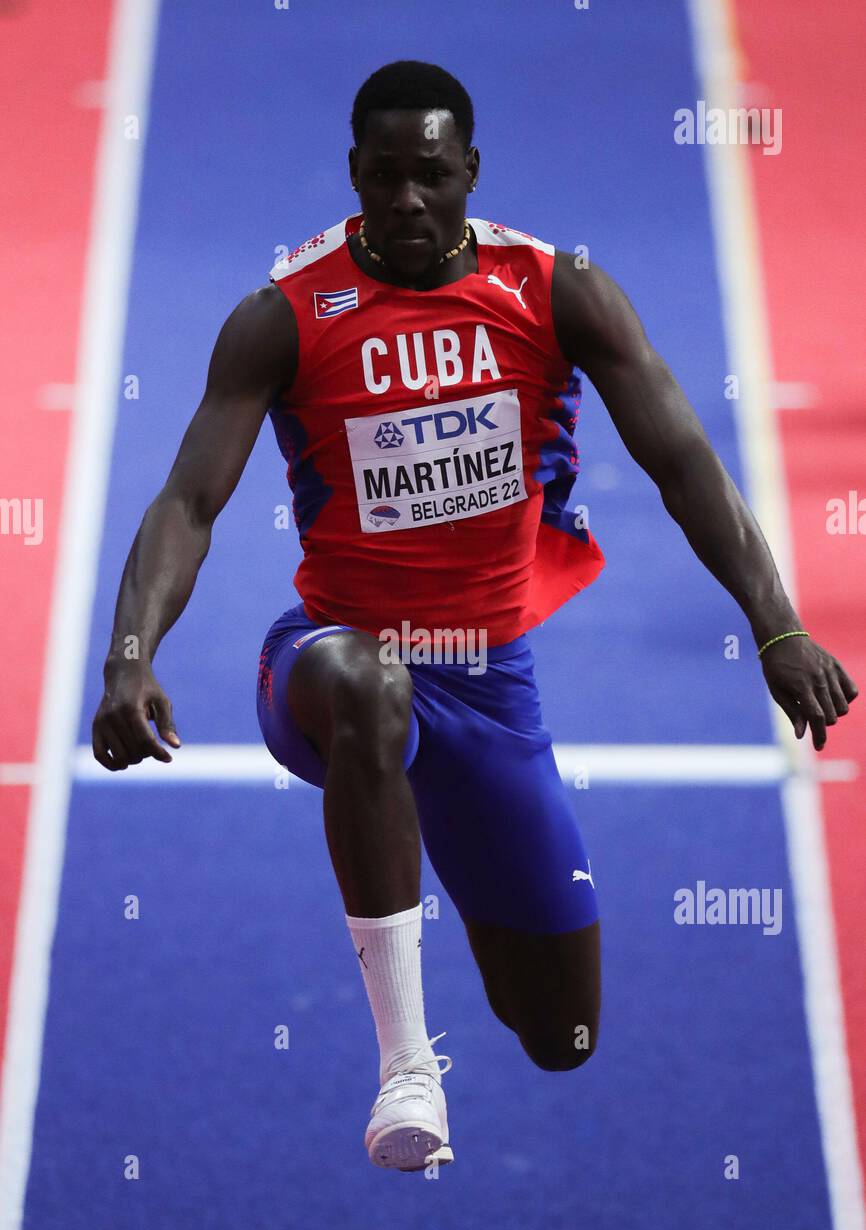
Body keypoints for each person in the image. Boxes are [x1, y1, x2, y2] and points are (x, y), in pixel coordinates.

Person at [92, 60, 857, 1173]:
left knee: (561, 1035)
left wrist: (776, 624)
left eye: (431, 177)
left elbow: (684, 459)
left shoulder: (554, 292)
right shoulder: (285, 315)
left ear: (470, 174)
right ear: (354, 174)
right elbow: (186, 502)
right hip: (326, 663)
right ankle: (407, 1068)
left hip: (491, 689)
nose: (407, 200)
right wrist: (129, 656)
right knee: (369, 685)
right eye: (384, 178)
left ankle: (436, 824)